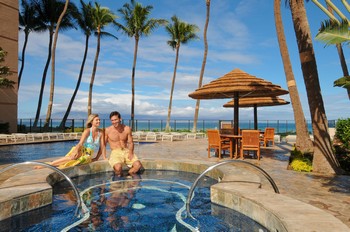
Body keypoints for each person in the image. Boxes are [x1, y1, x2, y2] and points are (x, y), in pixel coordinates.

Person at [37, 114, 106, 169]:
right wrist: (76, 150)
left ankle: (52, 164)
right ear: (91, 121)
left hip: (88, 154)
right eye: (97, 120)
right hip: (81, 149)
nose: (99, 121)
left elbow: (102, 146)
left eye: (99, 120)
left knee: (79, 161)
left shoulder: (101, 132)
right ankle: (48, 165)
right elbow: (80, 143)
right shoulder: (87, 131)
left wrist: (98, 158)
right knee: (72, 158)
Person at [103, 111, 142, 176]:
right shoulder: (107, 130)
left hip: (126, 151)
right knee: (118, 168)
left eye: (115, 119)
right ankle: (119, 181)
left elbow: (131, 142)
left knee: (138, 165)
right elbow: (103, 144)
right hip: (115, 152)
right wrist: (102, 157)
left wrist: (131, 152)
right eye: (112, 120)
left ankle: (128, 176)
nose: (114, 122)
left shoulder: (127, 129)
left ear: (120, 119)